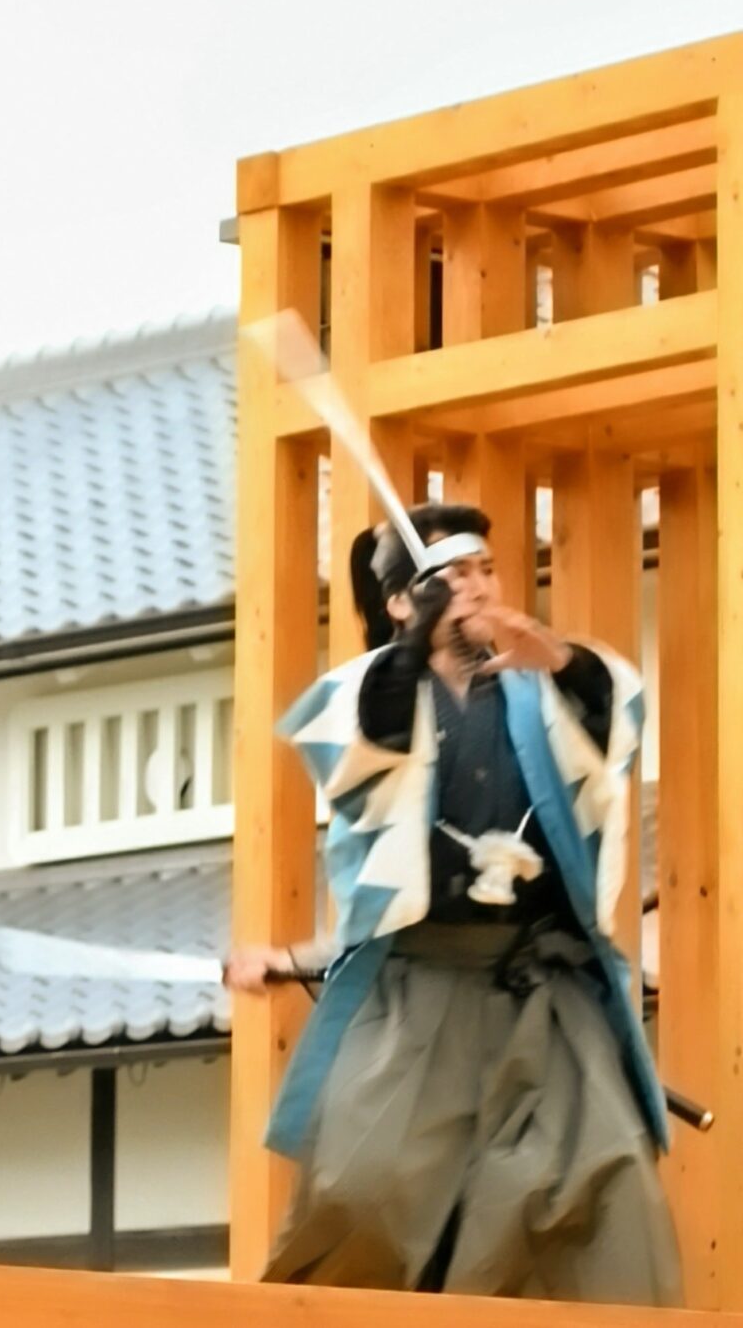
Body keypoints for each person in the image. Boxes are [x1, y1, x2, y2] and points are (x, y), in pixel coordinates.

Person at [226, 504, 678, 1303]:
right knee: (362, 1193)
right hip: (419, 991)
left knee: (610, 1198)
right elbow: (371, 740)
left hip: (548, 996)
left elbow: (617, 717)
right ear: (401, 600)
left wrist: (562, 659)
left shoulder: (549, 687)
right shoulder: (364, 689)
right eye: (448, 576)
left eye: (485, 570)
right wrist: (412, 644)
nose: (475, 586)